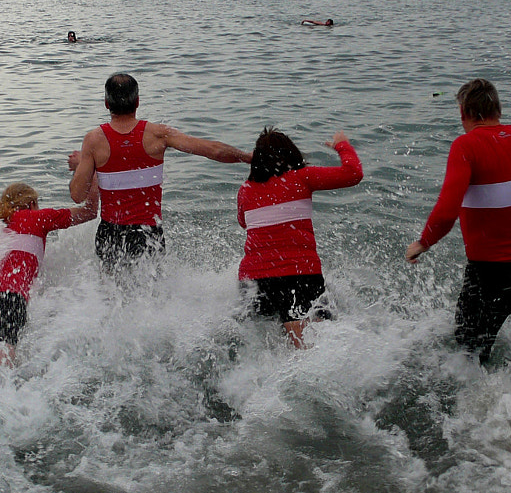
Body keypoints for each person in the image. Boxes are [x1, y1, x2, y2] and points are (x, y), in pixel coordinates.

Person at [405, 79, 511, 376]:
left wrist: (424, 242)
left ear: (463, 112)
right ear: (497, 108)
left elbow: (446, 210)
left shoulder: (466, 146)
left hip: (489, 272)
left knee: (468, 358)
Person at [68, 73, 251, 272]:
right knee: (152, 295)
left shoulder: (94, 140)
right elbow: (213, 150)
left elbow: (77, 195)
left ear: (106, 103)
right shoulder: (158, 134)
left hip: (110, 234)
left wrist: (84, 165)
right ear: (137, 101)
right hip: (148, 234)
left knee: (112, 296)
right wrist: (247, 157)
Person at [237, 128, 363, 348]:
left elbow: (244, 222)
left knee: (266, 348)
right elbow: (353, 173)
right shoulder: (302, 177)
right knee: (314, 351)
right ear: (292, 154)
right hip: (297, 276)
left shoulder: (245, 190)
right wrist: (342, 145)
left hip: (252, 282)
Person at [0, 182, 100, 365]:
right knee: (5, 349)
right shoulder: (37, 217)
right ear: (32, 204)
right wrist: (94, 178)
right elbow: (89, 212)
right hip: (11, 295)